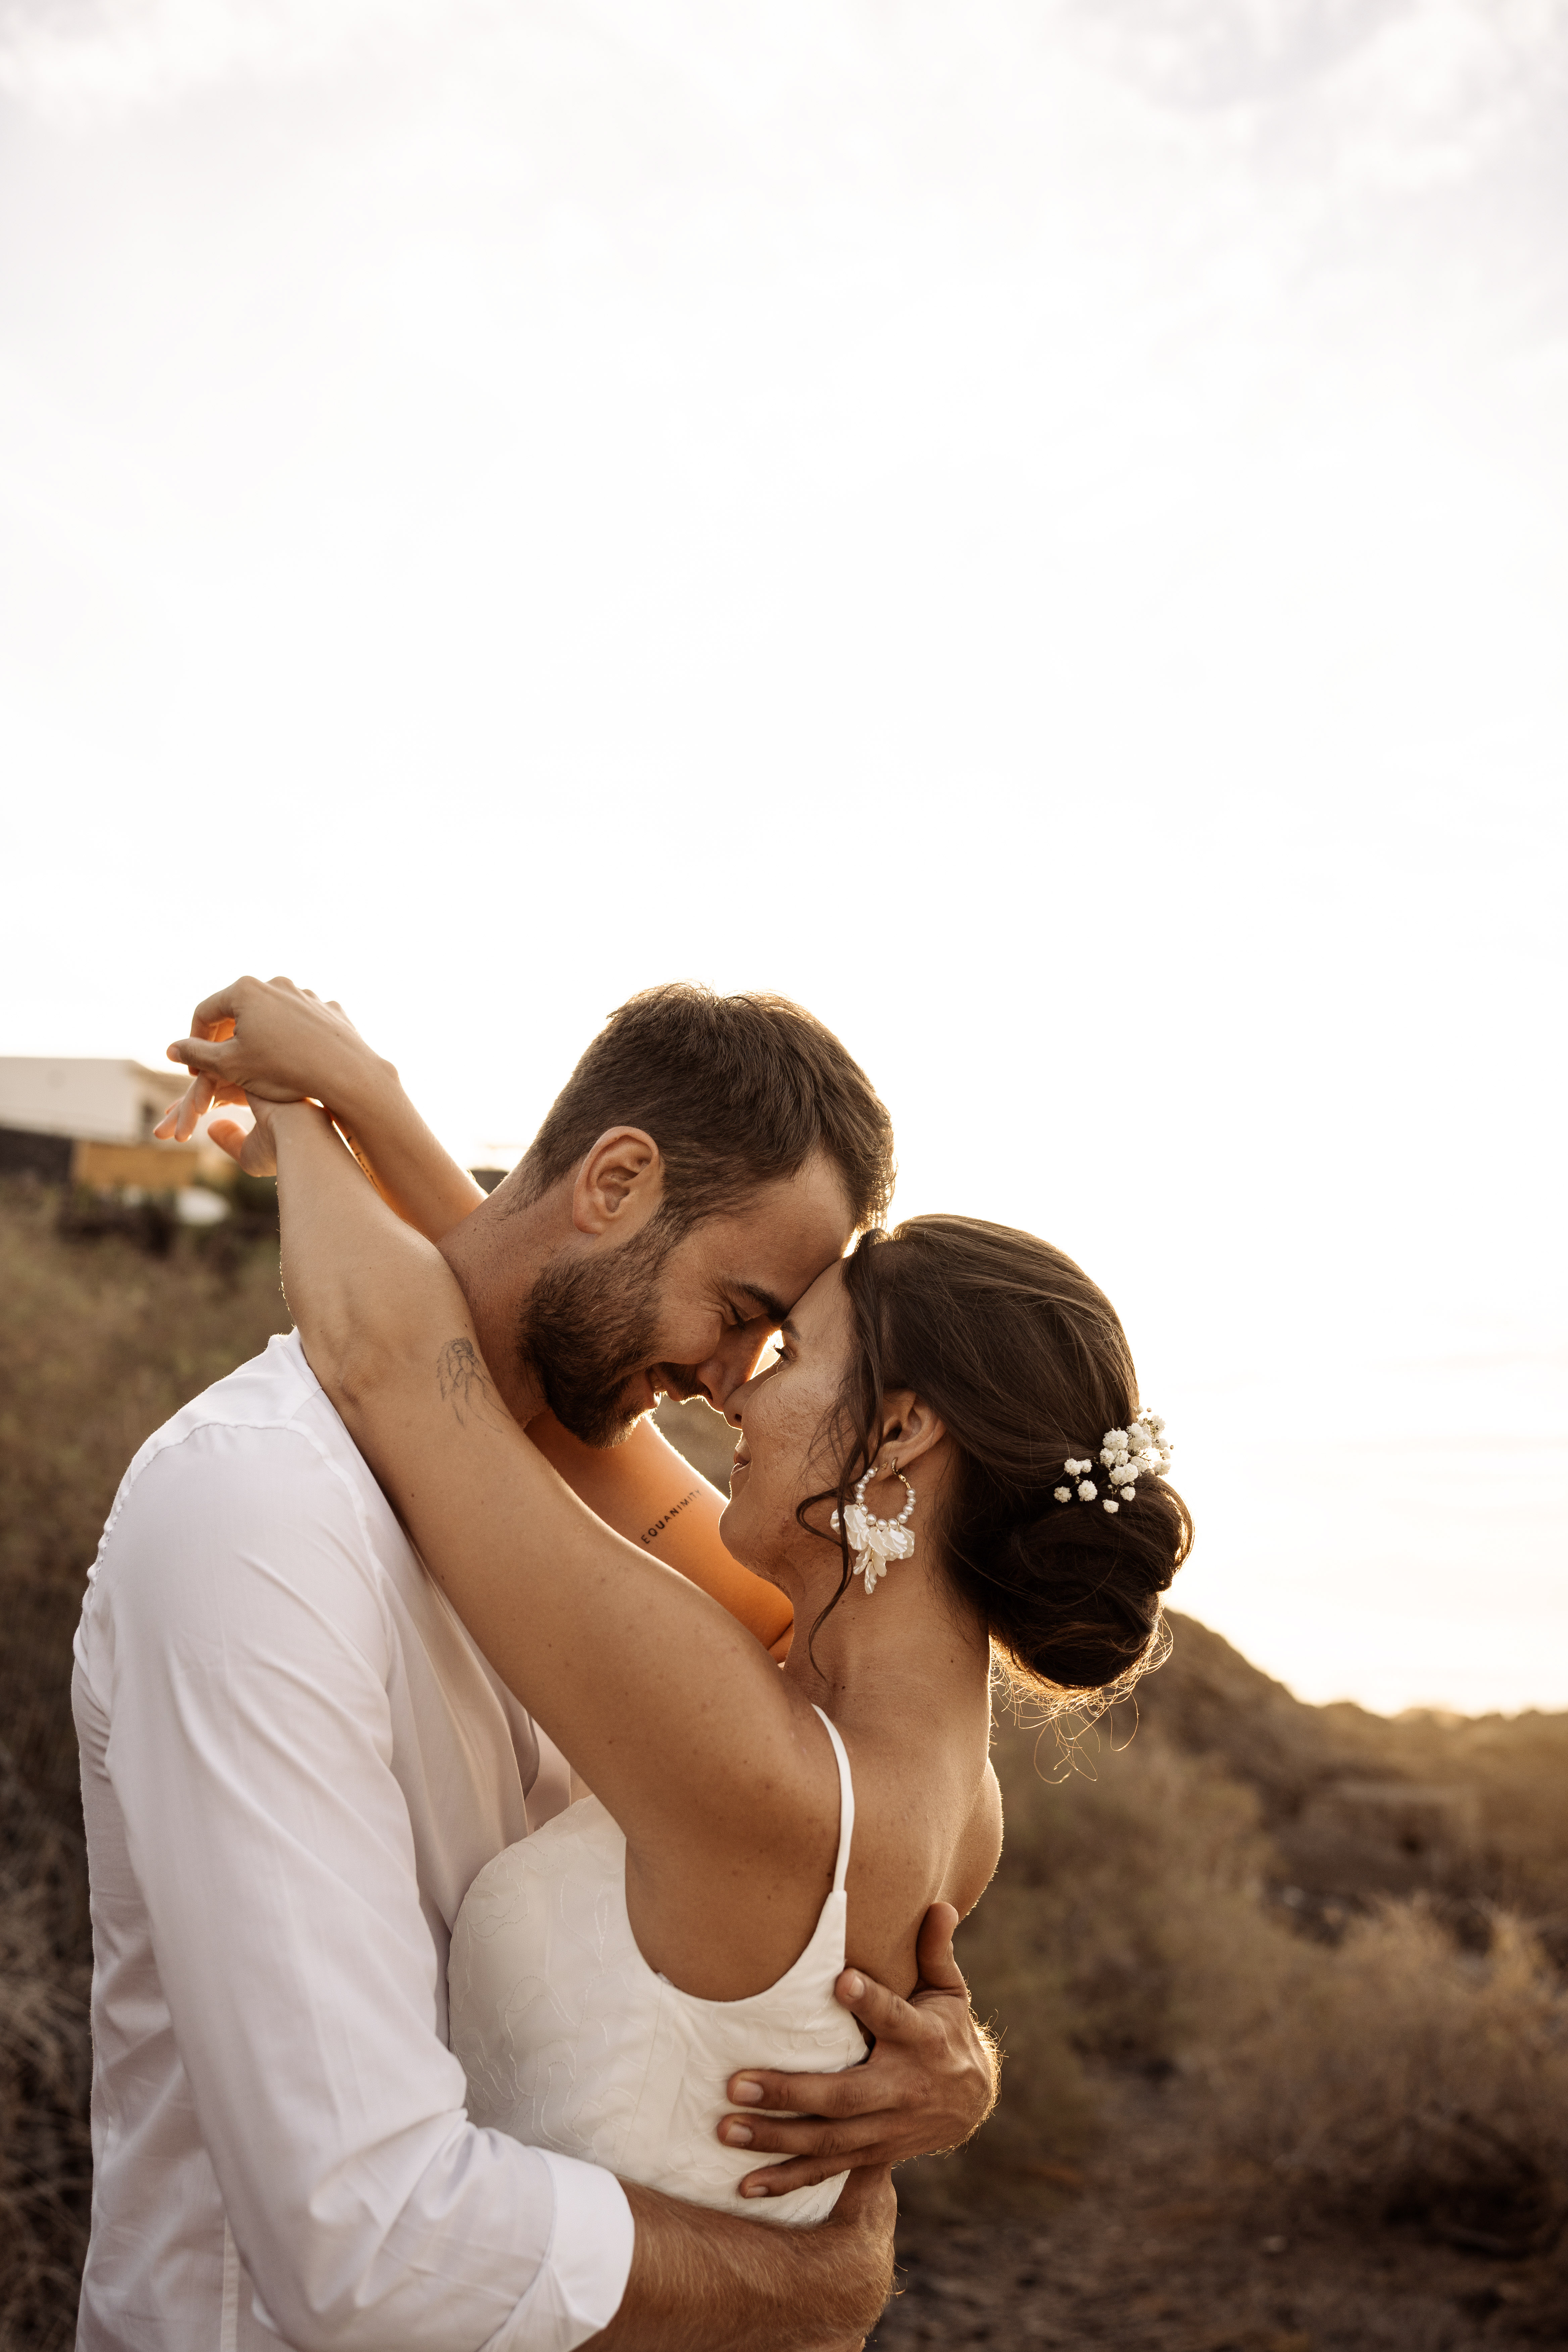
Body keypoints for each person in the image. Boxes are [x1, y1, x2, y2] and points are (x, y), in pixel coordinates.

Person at [156, 976, 1190, 2328]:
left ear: (895, 1438)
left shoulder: (747, 1751)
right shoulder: (941, 1787)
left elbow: (403, 1367)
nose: (735, 1383)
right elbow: (569, 1395)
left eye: (791, 1347)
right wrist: (386, 1108)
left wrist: (300, 1109)